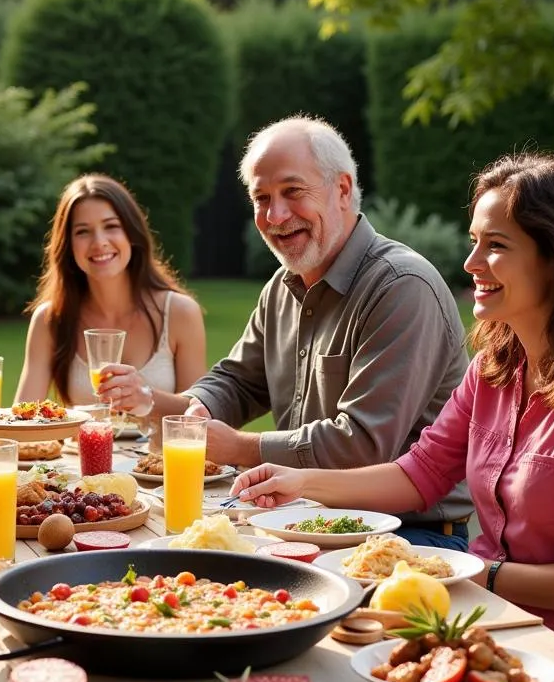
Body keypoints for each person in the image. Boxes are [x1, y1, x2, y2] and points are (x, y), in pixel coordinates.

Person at [233, 153, 554, 682]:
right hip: (503, 631)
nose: (471, 262)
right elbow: (421, 473)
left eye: (496, 245)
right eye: (475, 240)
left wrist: (479, 573)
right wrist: (300, 482)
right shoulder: (495, 366)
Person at [179, 116, 474, 549]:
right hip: (305, 521)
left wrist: (241, 447)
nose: (275, 215)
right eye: (262, 198)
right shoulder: (282, 286)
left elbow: (363, 443)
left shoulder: (401, 286)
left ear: (341, 189)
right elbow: (239, 380)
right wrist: (200, 409)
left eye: (293, 192)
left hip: (412, 537)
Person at [15, 173, 207, 417]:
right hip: (81, 454)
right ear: (68, 245)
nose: (99, 242)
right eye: (83, 232)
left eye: (111, 226)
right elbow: (20, 420)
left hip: (159, 456)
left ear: (132, 234)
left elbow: (197, 417)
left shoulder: (180, 313)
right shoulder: (50, 320)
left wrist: (146, 397)